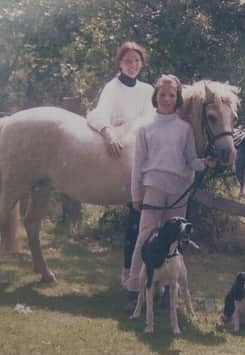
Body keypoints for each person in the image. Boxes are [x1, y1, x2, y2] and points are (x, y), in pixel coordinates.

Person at [123, 75, 217, 309]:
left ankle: (167, 291)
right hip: (154, 187)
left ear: (177, 99)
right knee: (145, 236)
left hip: (178, 191)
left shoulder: (184, 129)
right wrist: (136, 195)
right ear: (156, 97)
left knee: (174, 241)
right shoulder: (145, 128)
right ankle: (135, 287)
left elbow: (190, 160)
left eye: (172, 95)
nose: (166, 99)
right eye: (162, 94)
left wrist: (205, 163)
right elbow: (138, 165)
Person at [86, 41, 155, 288]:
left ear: (142, 63)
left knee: (140, 218)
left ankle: (140, 271)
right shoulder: (112, 88)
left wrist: (132, 130)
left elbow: (150, 119)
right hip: (117, 152)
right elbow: (98, 113)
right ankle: (129, 271)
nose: (133, 65)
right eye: (128, 61)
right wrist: (109, 133)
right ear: (120, 63)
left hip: (141, 153)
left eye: (137, 61)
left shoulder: (148, 90)